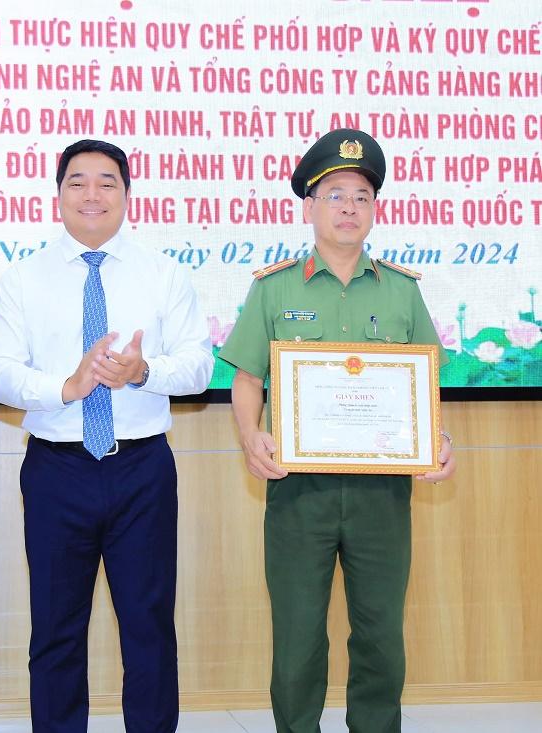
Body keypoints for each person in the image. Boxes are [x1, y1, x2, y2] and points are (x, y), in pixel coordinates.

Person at [218, 128, 457, 733]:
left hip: (383, 494)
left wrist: (440, 441)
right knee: (298, 630)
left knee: (380, 630)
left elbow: (423, 385)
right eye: (335, 194)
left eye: (361, 196)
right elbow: (248, 377)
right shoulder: (273, 289)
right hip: (299, 492)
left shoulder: (402, 292)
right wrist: (252, 437)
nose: (349, 206)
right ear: (309, 206)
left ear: (374, 210)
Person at [0, 139, 214, 732]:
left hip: (143, 470)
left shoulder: (164, 274)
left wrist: (143, 372)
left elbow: (198, 366)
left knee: (149, 624)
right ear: (58, 195)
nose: (92, 194)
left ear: (127, 195)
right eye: (77, 182)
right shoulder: (23, 279)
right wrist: (66, 386)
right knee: (56, 628)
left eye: (107, 182)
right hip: (58, 471)